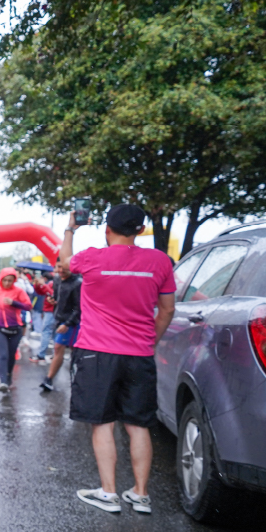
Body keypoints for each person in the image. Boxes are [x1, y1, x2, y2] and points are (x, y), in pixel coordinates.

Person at [60, 204, 175, 514]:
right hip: (139, 354)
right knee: (138, 425)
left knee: (103, 422)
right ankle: (140, 493)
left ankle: (108, 493)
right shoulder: (160, 261)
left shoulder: (92, 257)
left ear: (106, 229)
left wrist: (71, 229)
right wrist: (150, 342)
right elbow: (166, 310)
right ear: (140, 230)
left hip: (97, 353)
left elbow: (63, 264)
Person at [40, 260, 81, 392]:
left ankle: (50, 378)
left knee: (64, 349)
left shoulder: (78, 283)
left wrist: (68, 323)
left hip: (72, 321)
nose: (60, 271)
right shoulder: (57, 279)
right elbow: (57, 296)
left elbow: (79, 307)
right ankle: (51, 379)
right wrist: (52, 300)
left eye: (64, 268)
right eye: (58, 267)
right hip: (59, 318)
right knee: (61, 349)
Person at [0, 268, 31, 391]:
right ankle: (3, 382)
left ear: (14, 281)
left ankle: (9, 375)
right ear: (1, 279)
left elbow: (28, 306)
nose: (7, 283)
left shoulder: (19, 291)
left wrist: (14, 303)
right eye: (5, 280)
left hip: (15, 328)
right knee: (3, 355)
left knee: (11, 356)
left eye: (10, 281)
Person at [30, 273, 56, 362]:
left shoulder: (57, 283)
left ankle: (41, 355)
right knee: (53, 333)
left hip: (52, 311)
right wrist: (37, 285)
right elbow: (41, 292)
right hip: (50, 311)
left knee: (46, 332)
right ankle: (55, 355)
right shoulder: (52, 283)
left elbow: (53, 295)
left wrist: (44, 285)